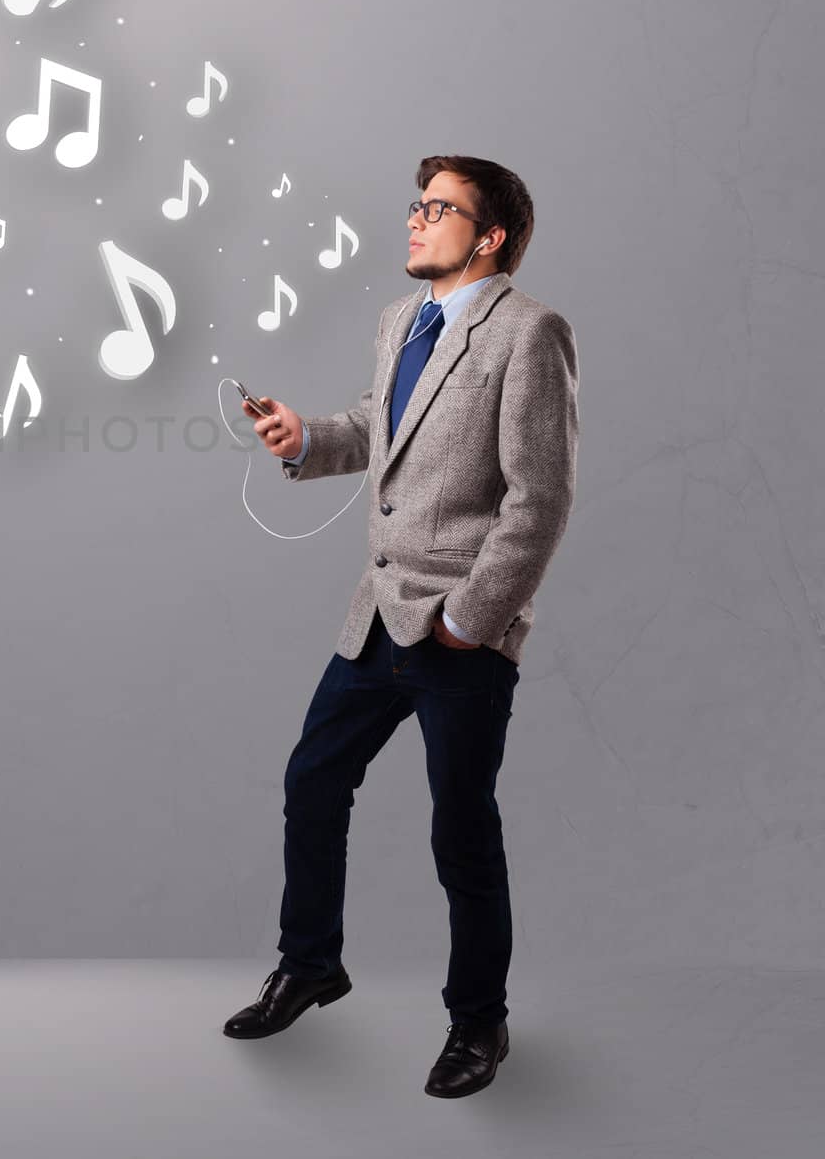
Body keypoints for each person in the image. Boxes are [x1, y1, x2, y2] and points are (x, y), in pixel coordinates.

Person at [222, 156, 579, 1100]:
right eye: (417, 204)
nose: (416, 221)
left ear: (489, 235)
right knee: (313, 778)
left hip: (461, 629)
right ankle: (311, 963)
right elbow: (387, 431)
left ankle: (478, 1022)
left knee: (460, 829)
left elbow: (539, 499)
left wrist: (472, 616)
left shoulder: (530, 332)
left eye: (440, 209)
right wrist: (308, 437)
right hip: (377, 615)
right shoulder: (400, 320)